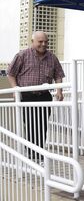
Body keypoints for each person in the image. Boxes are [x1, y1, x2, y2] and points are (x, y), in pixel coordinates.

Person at [8, 31, 65, 161]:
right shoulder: (22, 55)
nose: (43, 44)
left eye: (46, 42)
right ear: (32, 41)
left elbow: (58, 75)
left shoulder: (52, 57)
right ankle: (32, 153)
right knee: (31, 124)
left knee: (42, 125)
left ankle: (38, 154)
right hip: (27, 96)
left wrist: (59, 91)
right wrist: (14, 88)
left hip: (44, 96)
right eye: (40, 42)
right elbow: (11, 73)